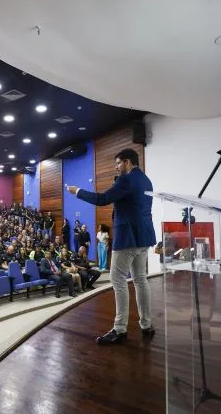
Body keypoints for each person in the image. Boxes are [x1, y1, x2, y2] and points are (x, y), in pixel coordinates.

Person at [67, 148, 156, 345]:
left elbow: (102, 199)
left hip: (128, 237)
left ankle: (120, 329)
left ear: (127, 162)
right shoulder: (146, 180)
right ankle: (146, 324)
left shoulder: (126, 180)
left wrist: (77, 191)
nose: (116, 167)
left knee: (117, 279)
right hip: (144, 236)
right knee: (140, 279)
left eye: (117, 163)